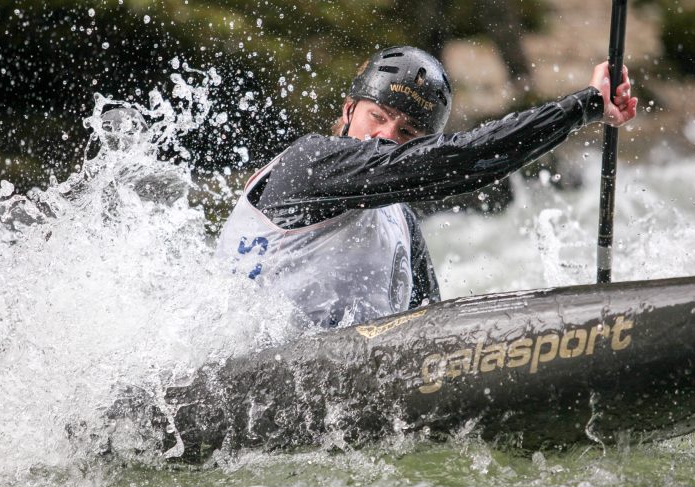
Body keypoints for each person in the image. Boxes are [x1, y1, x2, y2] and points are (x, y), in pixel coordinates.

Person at [216, 46, 637, 328]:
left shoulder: (400, 221)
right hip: (249, 372)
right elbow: (464, 161)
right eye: (377, 117)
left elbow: (428, 326)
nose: (385, 136)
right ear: (348, 110)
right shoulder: (310, 162)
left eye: (407, 131)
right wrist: (584, 106)